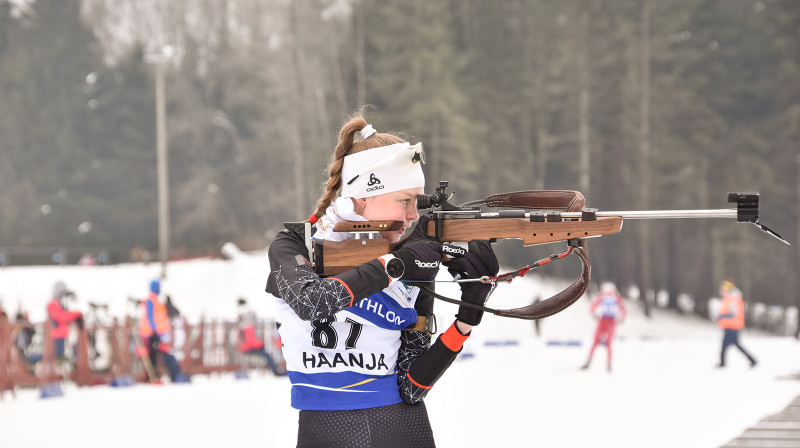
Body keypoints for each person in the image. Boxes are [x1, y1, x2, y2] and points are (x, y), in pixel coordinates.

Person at [265, 111, 499, 447]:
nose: (411, 216)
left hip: (401, 428)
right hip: (324, 432)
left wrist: (467, 317)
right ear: (361, 197)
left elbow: (411, 386)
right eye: (403, 201)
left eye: (417, 202)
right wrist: (395, 266)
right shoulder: (295, 245)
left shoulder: (414, 255)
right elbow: (311, 302)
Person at [139, 279, 188, 382]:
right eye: (158, 287)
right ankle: (151, 377)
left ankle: (164, 375)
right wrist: (154, 331)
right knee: (152, 357)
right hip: (151, 334)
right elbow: (150, 317)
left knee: (161, 355)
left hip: (158, 334)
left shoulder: (157, 301)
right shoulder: (151, 301)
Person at [581, 281, 626, 372]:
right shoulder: (602, 298)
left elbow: (622, 308)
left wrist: (622, 317)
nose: (608, 294)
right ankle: (588, 362)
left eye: (610, 292)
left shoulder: (617, 298)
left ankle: (609, 364)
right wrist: (593, 313)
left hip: (611, 322)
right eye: (607, 292)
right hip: (602, 320)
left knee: (609, 343)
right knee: (595, 341)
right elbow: (593, 305)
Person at [237, 298, 284, 375]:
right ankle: (275, 371)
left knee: (266, 353)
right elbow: (251, 341)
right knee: (267, 354)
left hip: (246, 347)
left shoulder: (242, 327)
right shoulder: (248, 327)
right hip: (249, 348)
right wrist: (261, 344)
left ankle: (275, 370)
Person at [716, 280, 757, 368]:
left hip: (733, 327)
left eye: (723, 290)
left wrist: (722, 316)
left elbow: (732, 313)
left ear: (728, 290)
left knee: (726, 346)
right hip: (730, 327)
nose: (721, 291)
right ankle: (752, 360)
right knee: (735, 346)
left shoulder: (733, 299)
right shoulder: (729, 299)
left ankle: (722, 363)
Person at [46, 281, 83, 359]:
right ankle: (29, 359)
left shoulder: (58, 303)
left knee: (60, 355)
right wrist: (76, 314)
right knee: (56, 354)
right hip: (56, 335)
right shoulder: (52, 304)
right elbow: (61, 317)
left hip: (62, 334)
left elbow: (64, 315)